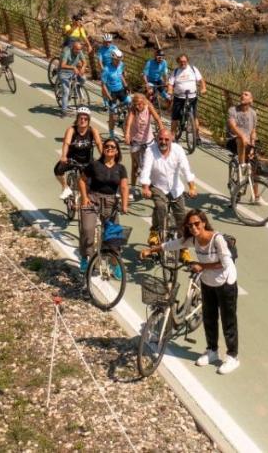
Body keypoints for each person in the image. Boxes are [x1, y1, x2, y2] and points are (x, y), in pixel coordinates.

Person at [141, 210, 239, 374]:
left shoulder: (217, 239)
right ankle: (212, 351)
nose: (193, 227)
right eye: (190, 225)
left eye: (196, 224)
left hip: (225, 282)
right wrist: (151, 250)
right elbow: (172, 245)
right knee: (209, 317)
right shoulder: (193, 240)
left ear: (203, 223)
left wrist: (202, 266)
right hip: (208, 281)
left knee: (228, 320)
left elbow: (225, 263)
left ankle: (232, 357)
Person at [77, 139, 129, 273]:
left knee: (114, 234)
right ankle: (85, 257)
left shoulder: (121, 168)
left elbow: (123, 187)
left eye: (113, 147)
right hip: (93, 198)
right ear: (103, 149)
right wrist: (84, 198)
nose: (109, 148)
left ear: (117, 151)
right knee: (88, 229)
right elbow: (82, 181)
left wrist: (124, 205)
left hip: (111, 202)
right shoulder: (94, 165)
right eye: (107, 146)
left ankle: (114, 262)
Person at [139, 128, 196, 244]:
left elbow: (186, 169)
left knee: (182, 219)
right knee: (161, 207)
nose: (163, 142)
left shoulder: (178, 150)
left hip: (176, 189)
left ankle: (183, 248)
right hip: (157, 186)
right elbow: (146, 170)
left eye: (166, 139)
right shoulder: (150, 150)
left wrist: (192, 187)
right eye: (160, 139)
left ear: (172, 139)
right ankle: (155, 231)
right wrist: (145, 187)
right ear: (156, 138)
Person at [57, 108, 102, 204]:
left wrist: (103, 158)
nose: (83, 120)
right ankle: (65, 188)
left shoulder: (93, 131)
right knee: (58, 170)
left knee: (91, 182)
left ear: (89, 120)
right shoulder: (71, 130)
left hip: (86, 160)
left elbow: (99, 144)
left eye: (85, 119)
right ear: (77, 119)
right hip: (71, 158)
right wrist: (64, 156)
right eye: (81, 118)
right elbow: (66, 143)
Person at [124, 92, 165, 191]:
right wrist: (127, 134)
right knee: (135, 165)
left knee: (152, 163)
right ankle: (133, 188)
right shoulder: (133, 109)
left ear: (144, 102)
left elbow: (157, 119)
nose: (139, 106)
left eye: (140, 104)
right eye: (136, 104)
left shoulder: (148, 107)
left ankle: (154, 185)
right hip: (136, 140)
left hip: (148, 140)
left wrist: (162, 131)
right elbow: (129, 122)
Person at [226, 90, 262, 203]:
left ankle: (256, 197)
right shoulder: (233, 110)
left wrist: (252, 145)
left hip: (247, 144)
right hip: (233, 141)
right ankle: (242, 169)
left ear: (251, 100)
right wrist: (242, 135)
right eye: (241, 94)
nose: (242, 95)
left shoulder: (253, 113)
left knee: (255, 167)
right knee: (240, 139)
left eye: (246, 94)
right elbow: (232, 125)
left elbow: (254, 131)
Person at [167, 53, 206, 134]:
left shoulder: (193, 69)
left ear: (187, 61)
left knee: (194, 116)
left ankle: (197, 136)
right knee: (175, 117)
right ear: (178, 62)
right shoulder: (175, 71)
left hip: (192, 97)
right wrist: (170, 91)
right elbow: (170, 84)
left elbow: (201, 80)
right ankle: (173, 135)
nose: (183, 63)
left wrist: (203, 88)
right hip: (179, 97)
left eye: (184, 61)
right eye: (181, 61)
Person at [58, 39, 89, 117]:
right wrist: (73, 67)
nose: (78, 51)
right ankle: (63, 111)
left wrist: (82, 68)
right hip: (64, 73)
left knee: (83, 78)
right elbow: (62, 65)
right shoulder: (67, 53)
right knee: (66, 92)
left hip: (73, 72)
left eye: (79, 49)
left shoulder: (79, 52)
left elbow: (85, 62)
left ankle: (78, 87)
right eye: (77, 49)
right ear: (73, 48)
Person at [100, 48, 129, 128]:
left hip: (120, 89)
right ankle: (111, 133)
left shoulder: (121, 65)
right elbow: (103, 85)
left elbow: (121, 75)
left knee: (130, 102)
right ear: (112, 59)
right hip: (112, 93)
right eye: (116, 60)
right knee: (114, 117)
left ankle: (125, 118)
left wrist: (126, 86)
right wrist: (109, 98)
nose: (118, 62)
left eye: (119, 60)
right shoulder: (106, 70)